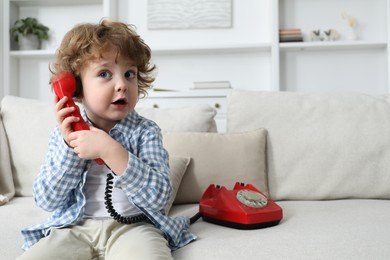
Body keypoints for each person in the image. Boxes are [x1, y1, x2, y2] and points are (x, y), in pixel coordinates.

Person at [18, 19, 196, 260]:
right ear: (76, 88)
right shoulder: (61, 135)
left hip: (134, 227)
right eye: (104, 73)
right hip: (73, 228)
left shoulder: (146, 131)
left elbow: (159, 198)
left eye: (129, 74)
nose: (122, 85)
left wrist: (112, 151)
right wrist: (70, 145)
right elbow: (47, 200)